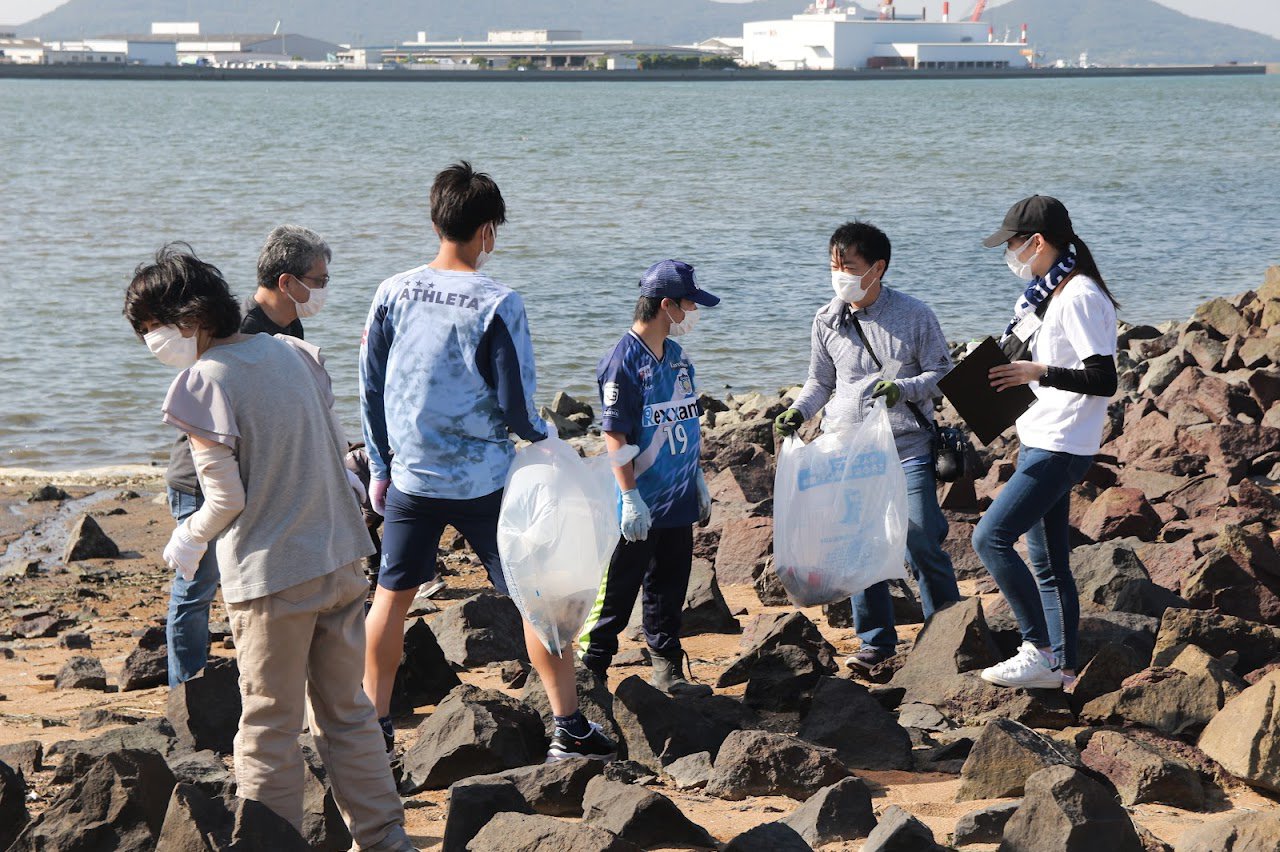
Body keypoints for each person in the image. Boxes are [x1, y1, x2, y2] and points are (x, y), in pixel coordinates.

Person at [125, 246, 414, 852]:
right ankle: (387, 838)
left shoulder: (200, 383)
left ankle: (269, 843)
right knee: (350, 714)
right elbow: (341, 455)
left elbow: (224, 501)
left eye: (152, 327)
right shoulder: (292, 352)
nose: (151, 341)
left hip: (271, 578)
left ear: (188, 317)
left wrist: (186, 538)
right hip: (340, 557)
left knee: (267, 727)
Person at [360, 161, 615, 761]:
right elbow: (517, 408)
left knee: (390, 599)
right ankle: (568, 728)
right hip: (484, 483)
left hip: (411, 478)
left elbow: (371, 387)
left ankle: (372, 729)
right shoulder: (497, 302)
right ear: (488, 232)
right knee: (535, 598)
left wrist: (378, 465)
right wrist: (552, 440)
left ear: (435, 220)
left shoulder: (392, 290)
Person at [774, 221, 960, 671]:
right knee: (856, 543)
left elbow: (944, 372)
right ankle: (876, 642)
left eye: (849, 266)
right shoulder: (827, 319)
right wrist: (799, 411)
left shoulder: (914, 315)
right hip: (848, 450)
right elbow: (821, 382)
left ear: (877, 268)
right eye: (834, 266)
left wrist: (904, 388)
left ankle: (949, 633)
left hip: (907, 445)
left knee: (918, 537)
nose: (840, 275)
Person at [160, 224, 330, 687]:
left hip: (245, 475)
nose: (323, 290)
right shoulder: (243, 327)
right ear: (286, 282)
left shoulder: (289, 323)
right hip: (201, 479)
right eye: (318, 280)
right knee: (196, 590)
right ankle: (185, 693)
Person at [972, 195, 1119, 691]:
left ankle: (1037, 649)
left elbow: (1104, 378)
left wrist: (1038, 372)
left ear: (1036, 242)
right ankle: (1063, 670)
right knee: (1050, 563)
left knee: (989, 538)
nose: (1008, 254)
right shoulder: (1048, 293)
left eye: (1011, 244)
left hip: (1062, 444)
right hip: (1043, 437)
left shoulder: (1077, 295)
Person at [577, 260, 716, 698]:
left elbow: (687, 421)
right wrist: (629, 497)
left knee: (669, 585)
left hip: (676, 498)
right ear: (666, 305)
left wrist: (696, 477)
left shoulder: (677, 358)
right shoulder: (623, 361)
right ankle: (590, 671)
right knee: (617, 589)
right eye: (689, 304)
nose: (694, 312)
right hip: (636, 501)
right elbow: (614, 434)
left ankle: (668, 670)